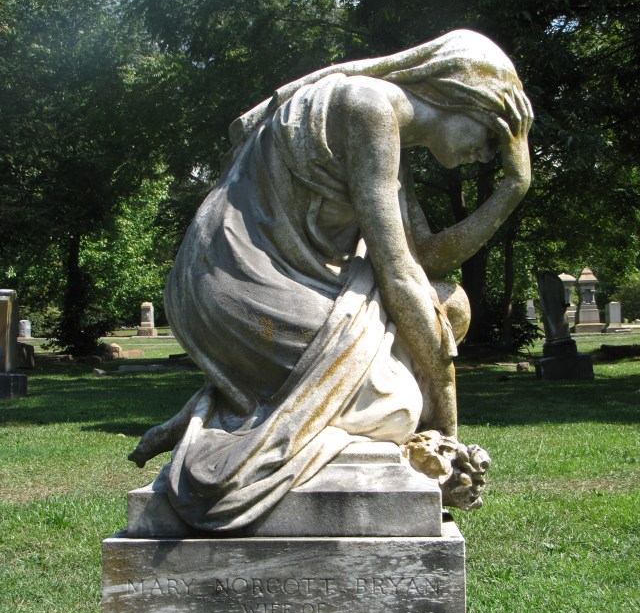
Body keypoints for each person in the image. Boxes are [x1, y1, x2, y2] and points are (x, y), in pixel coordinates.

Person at [129, 29, 533, 531]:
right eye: (494, 138)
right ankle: (240, 409)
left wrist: (515, 188)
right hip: (238, 287)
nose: (490, 155)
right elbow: (398, 274)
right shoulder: (369, 106)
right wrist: (445, 429)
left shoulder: (387, 128)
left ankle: (236, 401)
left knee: (451, 306)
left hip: (275, 285)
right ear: (464, 100)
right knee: (400, 409)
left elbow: (423, 257)